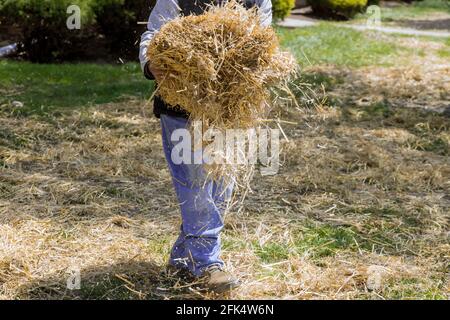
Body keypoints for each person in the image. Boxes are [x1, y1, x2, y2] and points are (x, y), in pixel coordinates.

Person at [139, 0, 272, 293]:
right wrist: (151, 65)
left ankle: (182, 258)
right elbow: (152, 35)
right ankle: (207, 264)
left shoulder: (258, 0)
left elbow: (263, 40)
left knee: (221, 186)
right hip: (180, 106)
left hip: (228, 107)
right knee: (195, 182)